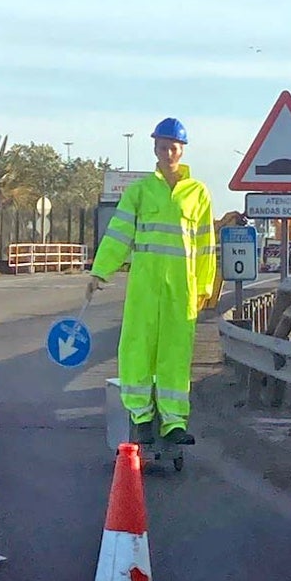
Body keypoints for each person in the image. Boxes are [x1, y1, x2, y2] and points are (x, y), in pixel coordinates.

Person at [86, 117, 216, 445]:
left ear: (182, 150)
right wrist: (100, 271)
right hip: (144, 285)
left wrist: (205, 287)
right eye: (163, 147)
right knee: (137, 348)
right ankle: (141, 416)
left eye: (174, 147)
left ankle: (174, 422)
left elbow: (205, 245)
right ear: (155, 149)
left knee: (175, 352)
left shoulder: (198, 194)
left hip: (182, 288)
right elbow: (118, 234)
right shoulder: (140, 192)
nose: (168, 153)